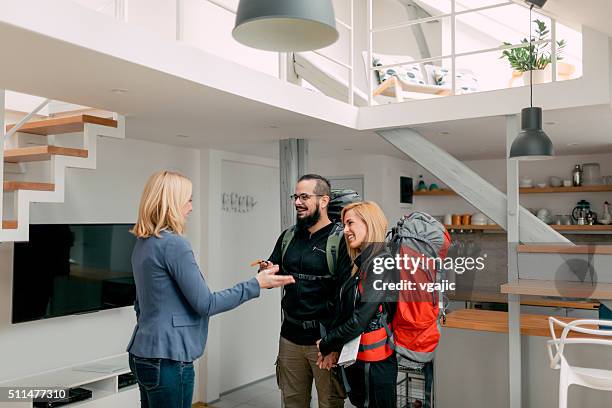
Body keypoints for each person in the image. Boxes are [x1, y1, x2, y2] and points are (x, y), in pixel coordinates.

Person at [126, 170, 294, 408]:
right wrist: (256, 283)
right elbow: (207, 303)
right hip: (169, 359)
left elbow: (141, 304)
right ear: (172, 202)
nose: (191, 207)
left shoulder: (144, 242)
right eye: (189, 199)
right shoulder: (174, 244)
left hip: (143, 352)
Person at [259, 174, 351, 408]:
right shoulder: (288, 236)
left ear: (323, 201)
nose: (297, 202)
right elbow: (273, 275)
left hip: (323, 342)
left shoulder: (339, 241)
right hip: (289, 337)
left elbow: (346, 299)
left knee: (329, 403)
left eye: (304, 197)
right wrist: (267, 271)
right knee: (292, 403)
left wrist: (334, 344)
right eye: (295, 196)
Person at [316, 201, 397, 408]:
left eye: (350, 223)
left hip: (375, 366)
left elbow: (360, 319)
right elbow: (348, 310)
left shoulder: (379, 264)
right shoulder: (363, 263)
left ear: (369, 223)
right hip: (362, 362)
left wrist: (328, 342)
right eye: (344, 224)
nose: (346, 230)